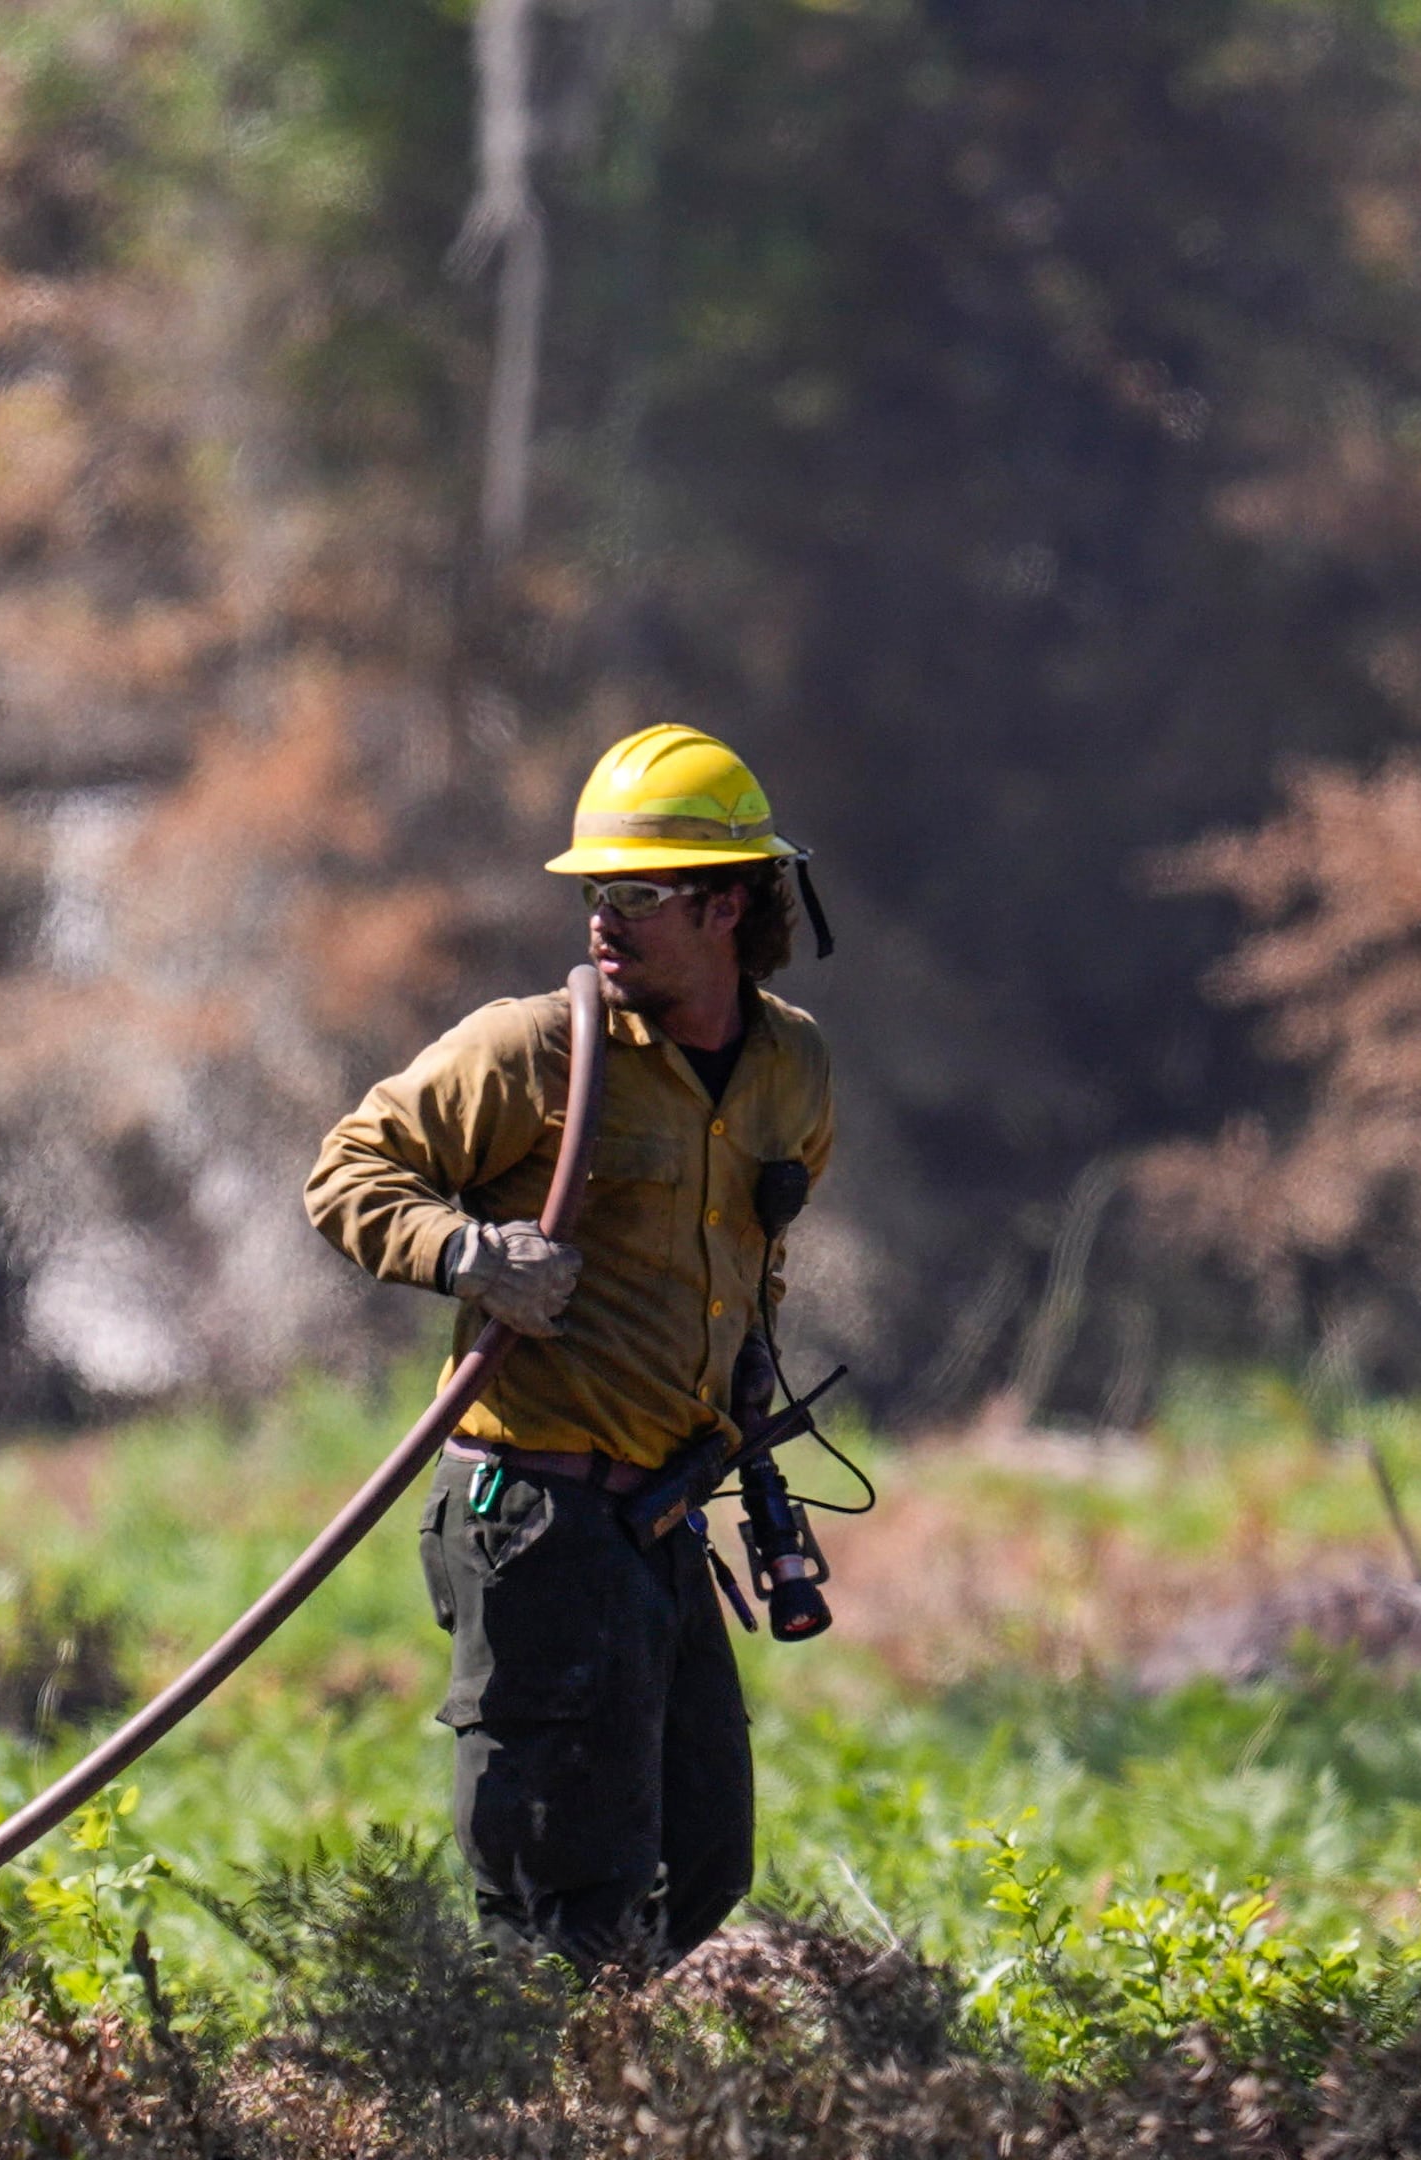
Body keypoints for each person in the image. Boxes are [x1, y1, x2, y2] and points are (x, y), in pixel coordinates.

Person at [304, 723, 834, 1973]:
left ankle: (614, 2084)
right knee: (554, 1899)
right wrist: (468, 1255)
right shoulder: (534, 1048)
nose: (605, 919)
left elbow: (754, 1261)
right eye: (595, 892)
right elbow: (348, 1171)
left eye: (637, 895)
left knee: (702, 1858)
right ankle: (537, 2103)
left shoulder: (793, 1069)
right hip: (528, 1512)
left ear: (729, 907)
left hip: (660, 1518)